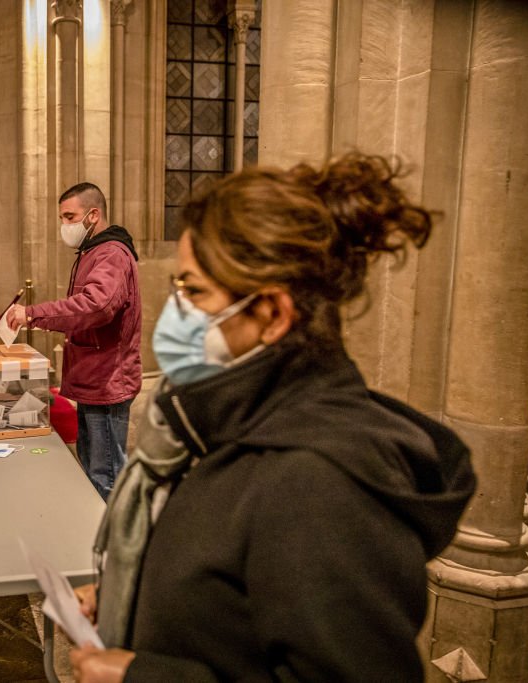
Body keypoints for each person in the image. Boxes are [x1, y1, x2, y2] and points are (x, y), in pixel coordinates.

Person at [70, 154, 477, 681]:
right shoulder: (230, 419)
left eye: (193, 292)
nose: (176, 313)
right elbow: (233, 579)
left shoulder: (321, 487)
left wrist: (140, 675)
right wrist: (134, 593)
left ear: (271, 314)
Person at [7, 183, 141, 500]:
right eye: (62, 218)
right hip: (93, 376)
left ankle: (113, 544)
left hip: (107, 380)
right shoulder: (93, 251)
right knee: (94, 464)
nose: (65, 225)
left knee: (105, 474)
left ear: (93, 215)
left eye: (70, 216)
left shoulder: (111, 254)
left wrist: (33, 314)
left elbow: (95, 306)